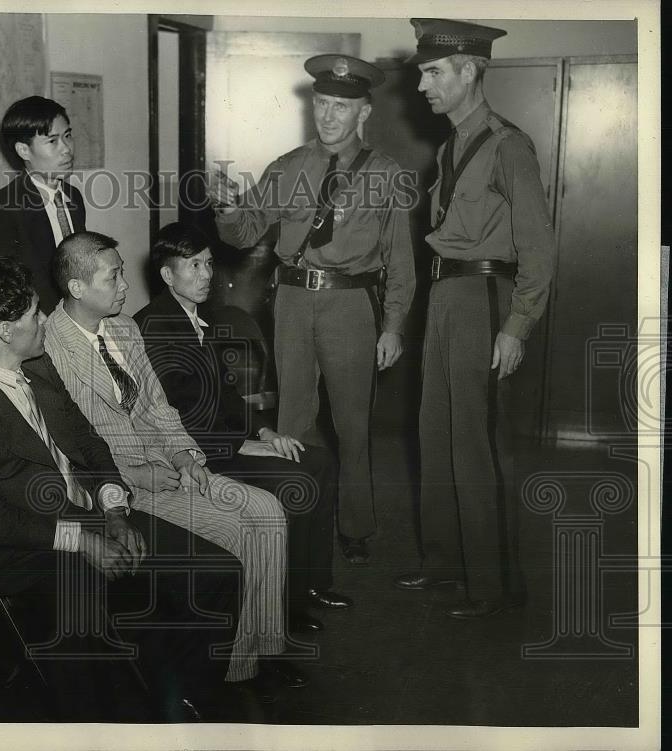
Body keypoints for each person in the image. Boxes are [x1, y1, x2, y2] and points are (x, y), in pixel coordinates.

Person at [0, 256, 242, 721]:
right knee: (86, 630)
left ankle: (185, 703)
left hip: (89, 519)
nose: (46, 319)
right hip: (27, 549)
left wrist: (113, 509)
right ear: (6, 330)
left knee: (217, 572)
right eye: (35, 314)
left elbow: (90, 443)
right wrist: (84, 541)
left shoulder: (40, 367)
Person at [44, 231, 305, 698]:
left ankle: (258, 655)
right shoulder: (51, 346)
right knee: (237, 532)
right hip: (121, 487)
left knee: (268, 512)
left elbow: (159, 409)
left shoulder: (124, 329)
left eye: (123, 272)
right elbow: (70, 449)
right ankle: (233, 673)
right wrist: (138, 475)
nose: (125, 285)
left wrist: (188, 457)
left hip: (167, 465)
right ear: (77, 288)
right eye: (114, 276)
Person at [210, 54, 416, 565]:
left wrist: (392, 325)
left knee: (353, 425)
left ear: (363, 113)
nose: (327, 116)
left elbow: (401, 261)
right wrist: (229, 208)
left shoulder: (386, 175)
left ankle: (355, 527)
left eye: (341, 107)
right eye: (322, 104)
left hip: (351, 306)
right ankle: (293, 521)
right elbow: (244, 234)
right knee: (293, 420)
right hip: (294, 304)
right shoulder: (288, 167)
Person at [394, 19, 556, 618]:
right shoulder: (449, 146)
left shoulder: (508, 145)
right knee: (435, 435)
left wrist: (516, 326)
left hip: (484, 297)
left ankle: (494, 587)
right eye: (421, 72)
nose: (421, 85)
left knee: (478, 442)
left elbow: (538, 246)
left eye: (433, 72)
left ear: (469, 70)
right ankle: (444, 564)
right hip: (445, 298)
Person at [134, 222, 353, 633]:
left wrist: (265, 433)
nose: (205, 274)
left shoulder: (198, 317)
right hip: (197, 454)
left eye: (208, 264)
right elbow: (176, 415)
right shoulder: (154, 327)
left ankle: (310, 585)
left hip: (226, 441)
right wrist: (242, 446)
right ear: (167, 274)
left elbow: (226, 395)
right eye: (193, 265)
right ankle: (284, 607)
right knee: (296, 477)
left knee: (320, 460)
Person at [0, 96, 85, 312]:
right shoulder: (1, 210)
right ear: (24, 150)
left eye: (68, 136)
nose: (67, 149)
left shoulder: (74, 197)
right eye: (52, 141)